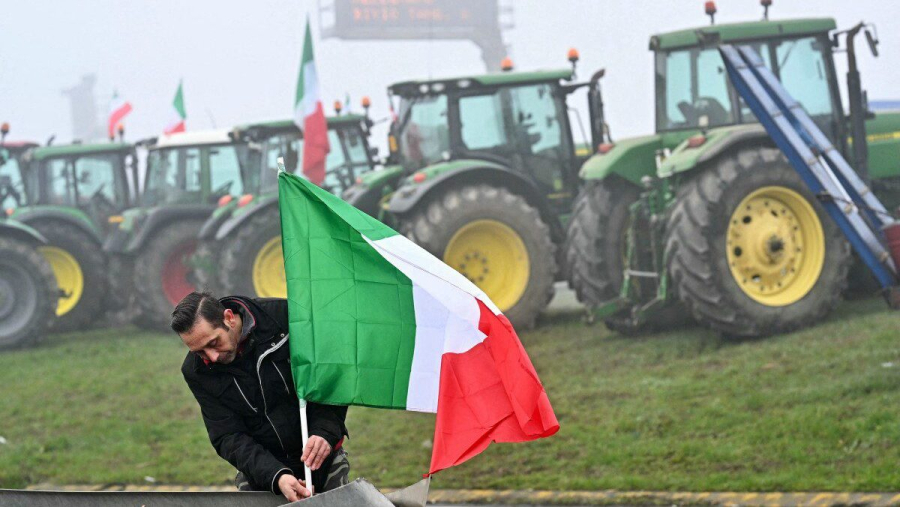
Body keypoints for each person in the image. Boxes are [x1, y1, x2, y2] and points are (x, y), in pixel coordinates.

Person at [172, 292, 350, 501]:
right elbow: (228, 436)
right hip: (261, 475)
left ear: (229, 317)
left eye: (213, 343)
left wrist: (325, 431)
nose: (212, 357)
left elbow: (331, 376)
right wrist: (276, 476)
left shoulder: (287, 318)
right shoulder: (196, 371)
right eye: (199, 352)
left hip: (322, 462)